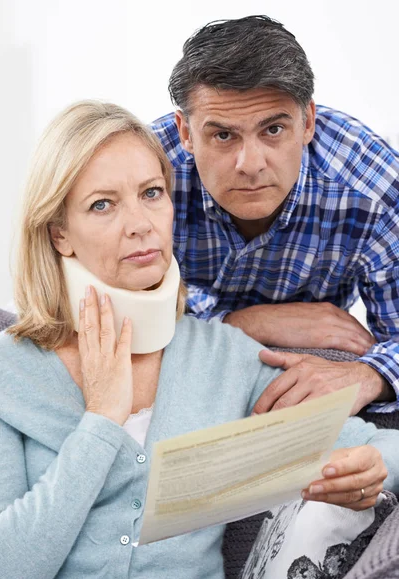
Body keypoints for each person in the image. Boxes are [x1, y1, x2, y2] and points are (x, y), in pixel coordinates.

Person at [0, 100, 397, 579]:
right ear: (60, 233)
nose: (140, 224)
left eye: (152, 193)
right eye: (103, 204)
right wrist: (100, 422)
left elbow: (376, 445)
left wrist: (366, 466)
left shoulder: (223, 357)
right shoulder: (8, 371)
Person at [151, 15, 399, 415]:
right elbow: (98, 302)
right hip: (174, 361)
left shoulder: (374, 188)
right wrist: (243, 323)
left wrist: (371, 376)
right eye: (223, 135)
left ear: (308, 122)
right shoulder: (145, 172)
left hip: (303, 368)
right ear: (185, 133)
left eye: (273, 131)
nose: (250, 165)